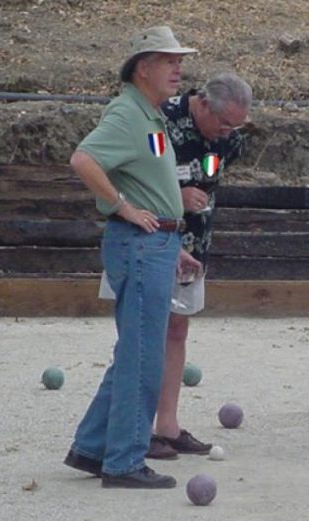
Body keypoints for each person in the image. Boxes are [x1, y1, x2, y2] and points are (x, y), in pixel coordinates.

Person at [63, 25, 199, 490]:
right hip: (140, 246)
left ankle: (93, 447)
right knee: (144, 357)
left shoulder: (149, 115)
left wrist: (171, 237)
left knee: (135, 353)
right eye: (168, 60)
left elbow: (152, 184)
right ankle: (123, 461)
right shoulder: (127, 114)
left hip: (155, 244)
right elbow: (84, 160)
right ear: (143, 68)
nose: (178, 68)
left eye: (178, 59)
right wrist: (122, 207)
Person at [99, 73, 252, 460]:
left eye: (236, 125)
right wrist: (173, 194)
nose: (228, 133)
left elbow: (211, 175)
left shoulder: (229, 138)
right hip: (147, 235)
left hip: (192, 243)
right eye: (223, 123)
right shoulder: (158, 122)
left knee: (177, 329)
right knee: (140, 333)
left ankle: (166, 427)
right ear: (202, 103)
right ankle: (134, 428)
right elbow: (132, 174)